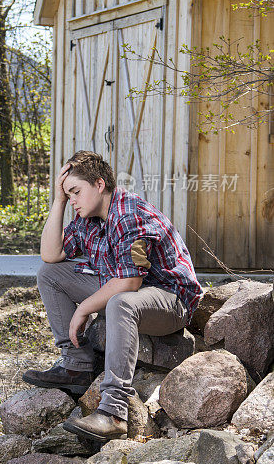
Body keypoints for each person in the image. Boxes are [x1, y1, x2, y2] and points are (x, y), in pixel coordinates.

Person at [23, 150, 202, 441]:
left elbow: (130, 281)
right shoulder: (88, 220)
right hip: (131, 293)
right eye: (68, 195)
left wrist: (84, 310)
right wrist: (58, 200)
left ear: (99, 184)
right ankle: (77, 366)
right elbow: (51, 254)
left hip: (170, 300)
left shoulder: (130, 214)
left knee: (121, 300)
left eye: (76, 192)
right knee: (49, 273)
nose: (73, 201)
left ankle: (113, 413)